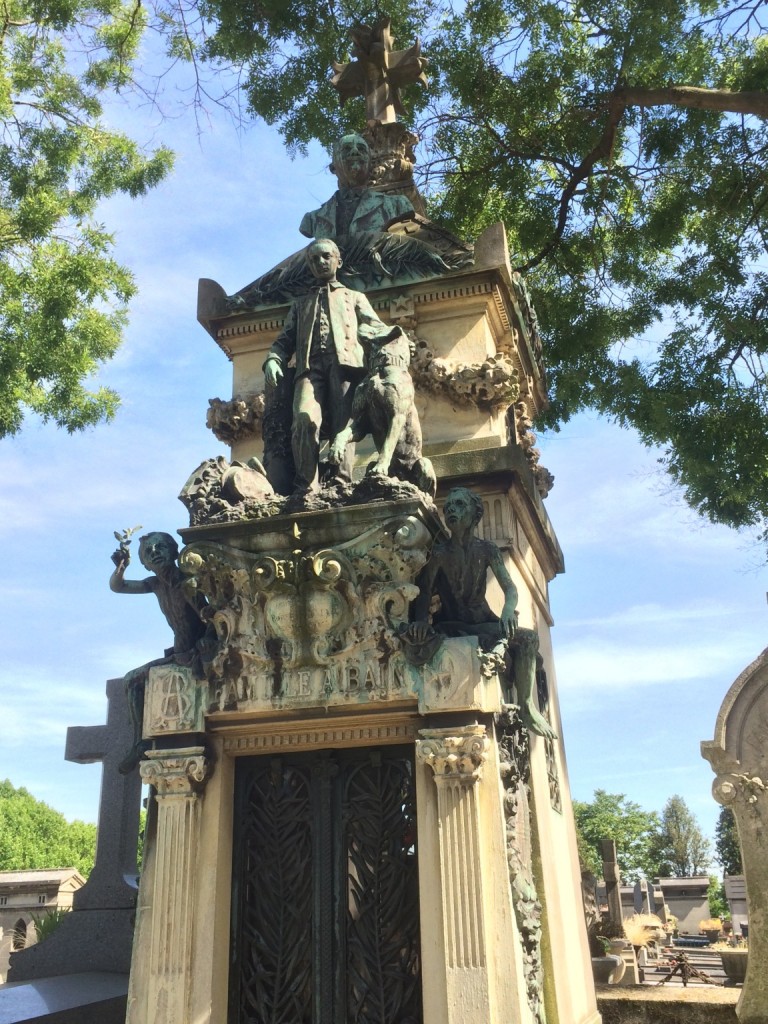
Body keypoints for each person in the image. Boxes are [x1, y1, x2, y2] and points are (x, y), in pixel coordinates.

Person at [410, 487, 555, 738]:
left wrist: (509, 610)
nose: (451, 510)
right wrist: (422, 621)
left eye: (459, 505)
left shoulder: (487, 549)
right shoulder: (439, 554)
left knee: (529, 638)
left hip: (482, 623)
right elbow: (424, 593)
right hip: (452, 625)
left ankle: (527, 706)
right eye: (449, 506)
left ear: (475, 515)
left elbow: (509, 589)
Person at [263, 238, 403, 493]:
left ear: (338, 260)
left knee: (343, 424)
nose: (320, 262)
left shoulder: (354, 297)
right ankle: (306, 486)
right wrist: (273, 359)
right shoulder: (300, 304)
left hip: (347, 367)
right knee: (304, 420)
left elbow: (377, 328)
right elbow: (283, 342)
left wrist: (398, 339)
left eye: (326, 256)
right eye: (314, 259)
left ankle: (341, 481)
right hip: (309, 369)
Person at [110, 531, 209, 773]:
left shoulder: (188, 582)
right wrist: (121, 566)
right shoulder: (154, 585)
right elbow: (118, 586)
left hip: (196, 651)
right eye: (149, 551)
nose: (155, 552)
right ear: (144, 562)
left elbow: (209, 618)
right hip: (178, 653)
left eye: (160, 547)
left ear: (174, 552)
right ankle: (140, 742)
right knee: (131, 679)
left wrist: (203, 648)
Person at [300, 133, 413, 241]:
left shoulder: (398, 205)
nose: (355, 151)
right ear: (333, 168)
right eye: (347, 149)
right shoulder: (313, 219)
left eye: (361, 149)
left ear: (370, 166)